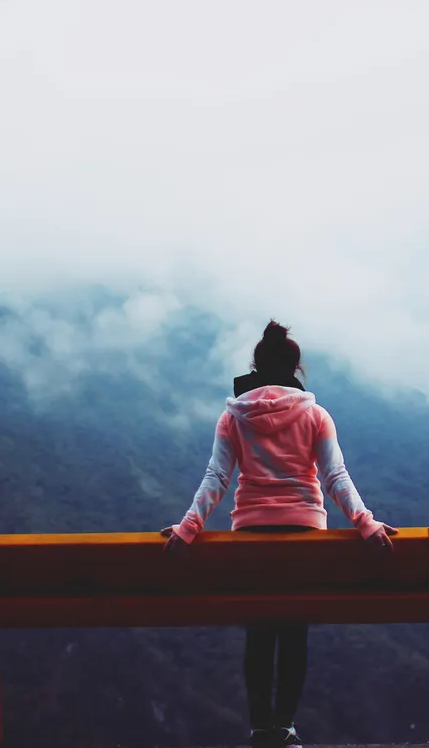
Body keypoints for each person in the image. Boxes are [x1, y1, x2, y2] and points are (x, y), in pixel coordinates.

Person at [162, 320, 397, 748]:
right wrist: (366, 522)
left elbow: (217, 477)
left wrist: (188, 526)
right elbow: (334, 477)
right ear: (295, 368)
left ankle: (259, 729)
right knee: (293, 633)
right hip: (303, 536)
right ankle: (285, 728)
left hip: (251, 535)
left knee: (259, 632)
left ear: (256, 365)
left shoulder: (234, 415)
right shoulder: (314, 414)